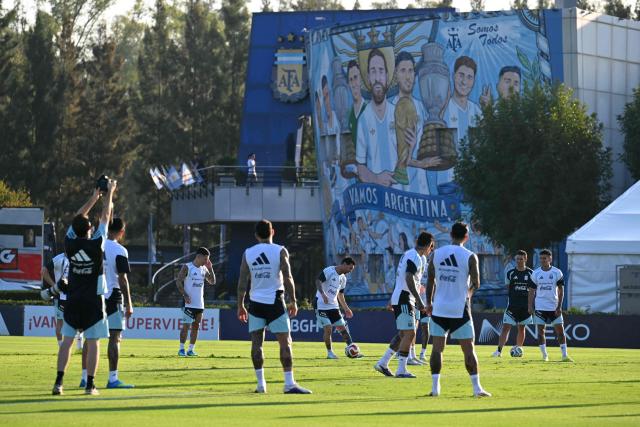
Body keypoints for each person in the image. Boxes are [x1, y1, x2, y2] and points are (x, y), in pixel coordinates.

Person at [51, 179, 116, 396]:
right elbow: (106, 217)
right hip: (92, 300)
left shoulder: (69, 243)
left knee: (67, 342)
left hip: (73, 299)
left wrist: (93, 197)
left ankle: (59, 383)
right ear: (90, 229)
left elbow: (78, 218)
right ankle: (90, 385)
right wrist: (109, 194)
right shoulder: (96, 243)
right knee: (93, 342)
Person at [237, 219, 311, 394]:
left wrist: (240, 305)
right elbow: (288, 277)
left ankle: (261, 385)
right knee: (285, 343)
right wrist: (293, 300)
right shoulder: (280, 250)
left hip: (255, 303)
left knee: (257, 344)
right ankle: (289, 384)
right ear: (273, 232)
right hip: (275, 302)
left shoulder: (248, 253)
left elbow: (242, 281)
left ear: (256, 235)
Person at [426, 222, 490, 397]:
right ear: (466, 237)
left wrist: (428, 303)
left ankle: (435, 388)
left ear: (450, 234)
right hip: (459, 308)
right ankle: (477, 389)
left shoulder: (436, 254)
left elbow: (430, 281)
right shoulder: (470, 256)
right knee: (468, 349)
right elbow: (476, 283)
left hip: (439, 308)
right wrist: (468, 294)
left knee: (437, 348)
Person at [374, 232, 434, 378]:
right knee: (410, 333)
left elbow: (400, 277)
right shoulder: (415, 256)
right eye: (432, 247)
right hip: (404, 298)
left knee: (403, 334)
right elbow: (408, 277)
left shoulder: (411, 255)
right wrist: (420, 301)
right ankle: (401, 369)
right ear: (428, 245)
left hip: (402, 297)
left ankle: (383, 362)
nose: (431, 250)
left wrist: (392, 298)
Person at [439, 56, 487, 189]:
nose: (464, 82)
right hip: (448, 183)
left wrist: (487, 114)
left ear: (474, 80)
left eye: (469, 77)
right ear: (454, 76)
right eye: (461, 75)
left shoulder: (477, 111)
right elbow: (443, 153)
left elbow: (480, 150)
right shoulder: (444, 108)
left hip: (473, 183)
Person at [356, 48, 397, 187]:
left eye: (381, 71)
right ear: (368, 77)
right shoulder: (363, 120)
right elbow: (360, 168)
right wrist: (376, 178)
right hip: (376, 201)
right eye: (373, 71)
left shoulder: (398, 114)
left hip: (402, 197)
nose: (377, 78)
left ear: (386, 75)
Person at [103, 217, 134, 388]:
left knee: (91, 338)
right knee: (115, 337)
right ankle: (113, 379)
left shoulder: (95, 244)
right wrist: (129, 303)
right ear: (121, 232)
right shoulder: (120, 250)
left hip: (95, 295)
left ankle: (85, 378)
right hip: (113, 297)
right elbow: (122, 279)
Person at [529, 249, 573, 362]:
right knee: (540, 332)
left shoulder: (557, 272)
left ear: (550, 259)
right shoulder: (536, 273)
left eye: (545, 258)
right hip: (540, 307)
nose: (542, 260)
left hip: (554, 307)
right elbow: (531, 291)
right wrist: (530, 306)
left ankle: (564, 355)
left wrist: (559, 306)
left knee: (560, 332)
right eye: (541, 258)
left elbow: (561, 291)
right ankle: (544, 356)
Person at [492, 250, 534, 357]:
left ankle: (518, 349)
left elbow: (533, 290)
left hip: (525, 307)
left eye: (521, 259)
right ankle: (499, 351)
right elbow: (508, 289)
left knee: (521, 328)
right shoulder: (510, 273)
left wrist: (530, 306)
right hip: (512, 306)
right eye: (517, 259)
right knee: (505, 327)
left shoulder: (531, 273)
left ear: (525, 259)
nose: (519, 261)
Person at [315, 257, 359, 359]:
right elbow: (318, 281)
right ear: (344, 264)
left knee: (343, 329)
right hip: (321, 304)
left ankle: (352, 348)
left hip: (333, 306)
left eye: (351, 269)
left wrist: (346, 308)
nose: (350, 271)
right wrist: (323, 294)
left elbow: (340, 295)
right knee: (328, 328)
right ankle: (330, 353)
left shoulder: (343, 278)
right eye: (349, 268)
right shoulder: (329, 271)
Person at [176, 247, 216, 357]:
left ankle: (191, 350)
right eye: (205, 259)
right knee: (186, 326)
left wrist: (210, 268)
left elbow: (212, 281)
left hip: (199, 304)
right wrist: (185, 294)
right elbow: (178, 281)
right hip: (188, 303)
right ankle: (181, 349)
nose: (206, 261)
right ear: (198, 257)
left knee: (196, 327)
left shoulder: (204, 269)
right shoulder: (187, 267)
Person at [41, 252, 69, 346]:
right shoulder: (59, 258)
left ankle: (72, 347)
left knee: (68, 322)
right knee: (62, 323)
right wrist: (55, 286)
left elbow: (43, 271)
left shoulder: (60, 258)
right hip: (64, 296)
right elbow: (43, 271)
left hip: (70, 295)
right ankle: (63, 347)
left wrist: (54, 287)